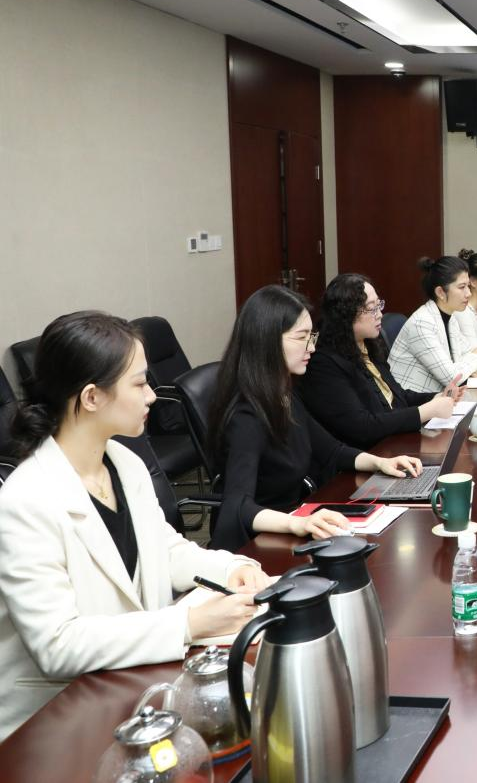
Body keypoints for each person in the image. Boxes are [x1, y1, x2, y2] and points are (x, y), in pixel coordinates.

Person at [0, 311, 269, 739]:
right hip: (54, 721)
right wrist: (190, 624)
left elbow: (165, 550)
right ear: (92, 397)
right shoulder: (26, 500)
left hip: (129, 690)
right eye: (140, 384)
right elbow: (58, 644)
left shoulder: (124, 463)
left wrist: (230, 568)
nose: (153, 396)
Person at [208, 285, 423, 552]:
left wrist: (380, 463)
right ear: (267, 341)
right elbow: (239, 507)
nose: (311, 347)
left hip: (293, 525)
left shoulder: (283, 393)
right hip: (258, 544)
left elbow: (331, 451)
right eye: (301, 338)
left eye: (312, 336)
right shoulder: (246, 415)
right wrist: (298, 523)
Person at [298, 274, 458, 450]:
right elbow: (362, 427)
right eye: (371, 309)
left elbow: (397, 396)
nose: (380, 314)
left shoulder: (369, 343)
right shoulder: (323, 363)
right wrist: (426, 411)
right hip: (368, 454)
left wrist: (436, 397)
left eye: (379, 305)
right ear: (346, 313)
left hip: (394, 444)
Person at [389, 256, 477, 393]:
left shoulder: (450, 317)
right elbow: (452, 378)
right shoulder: (421, 323)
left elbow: (469, 352)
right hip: (415, 401)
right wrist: (475, 360)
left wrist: (470, 363)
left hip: (441, 396)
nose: (469, 293)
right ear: (440, 292)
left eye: (468, 286)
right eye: (462, 287)